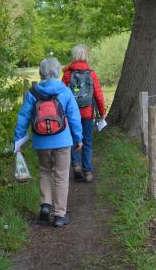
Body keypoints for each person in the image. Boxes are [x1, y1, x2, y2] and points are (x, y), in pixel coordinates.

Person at [14, 58, 83, 227]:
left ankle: (45, 206)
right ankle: (60, 215)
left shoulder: (33, 93)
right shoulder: (65, 91)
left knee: (45, 171)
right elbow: (74, 117)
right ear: (57, 71)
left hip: (41, 141)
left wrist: (18, 140)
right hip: (62, 140)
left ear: (42, 72)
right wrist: (78, 138)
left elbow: (23, 117)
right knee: (61, 175)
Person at [62, 44, 106, 183]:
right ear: (86, 56)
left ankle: (75, 166)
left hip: (70, 115)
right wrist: (102, 112)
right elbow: (98, 95)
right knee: (87, 142)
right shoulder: (91, 74)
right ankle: (87, 172)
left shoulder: (68, 74)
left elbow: (61, 94)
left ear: (74, 56)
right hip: (87, 114)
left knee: (74, 140)